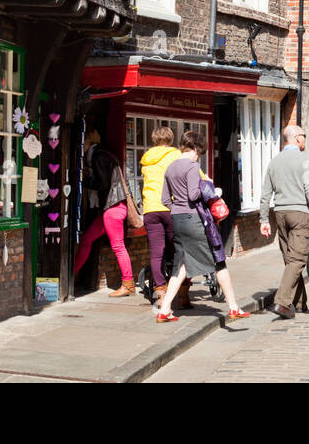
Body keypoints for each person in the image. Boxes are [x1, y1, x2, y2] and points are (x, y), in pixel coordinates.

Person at [155, 129, 251, 323]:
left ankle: (164, 310)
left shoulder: (170, 167)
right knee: (218, 260)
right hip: (193, 221)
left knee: (181, 264)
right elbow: (193, 195)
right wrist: (207, 185)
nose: (198, 157)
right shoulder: (190, 167)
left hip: (177, 219)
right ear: (193, 148)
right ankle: (233, 307)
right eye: (198, 152)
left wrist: (177, 209)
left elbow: (165, 199)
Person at [259, 125, 309, 319]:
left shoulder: (274, 161)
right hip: (299, 213)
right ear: (297, 138)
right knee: (297, 260)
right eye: (304, 136)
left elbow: (265, 195)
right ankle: (281, 302)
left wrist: (264, 219)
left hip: (280, 213)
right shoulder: (305, 160)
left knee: (291, 259)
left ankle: (299, 302)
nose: (305, 140)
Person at [74, 127, 135, 297]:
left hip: (112, 207)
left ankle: (128, 283)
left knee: (118, 246)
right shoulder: (104, 154)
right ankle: (71, 274)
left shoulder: (98, 156)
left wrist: (83, 180)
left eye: (83, 143)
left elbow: (103, 184)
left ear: (88, 142)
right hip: (111, 207)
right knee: (87, 239)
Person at [139, 123, 181, 304]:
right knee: (178, 250)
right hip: (171, 207)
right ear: (170, 139)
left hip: (150, 209)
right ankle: (181, 292)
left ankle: (161, 292)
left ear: (154, 139)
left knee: (156, 253)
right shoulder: (176, 155)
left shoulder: (146, 158)